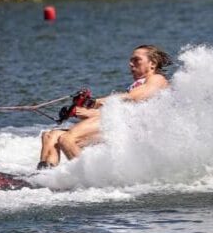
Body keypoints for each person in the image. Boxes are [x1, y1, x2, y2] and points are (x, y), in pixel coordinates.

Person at [38, 45, 171, 168]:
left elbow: (134, 97)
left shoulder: (157, 79)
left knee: (67, 139)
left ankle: (90, 180)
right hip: (118, 125)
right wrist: (81, 112)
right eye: (130, 61)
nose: (131, 64)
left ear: (152, 64)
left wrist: (93, 103)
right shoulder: (135, 85)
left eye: (136, 60)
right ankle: (44, 177)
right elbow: (122, 110)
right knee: (50, 136)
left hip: (134, 132)